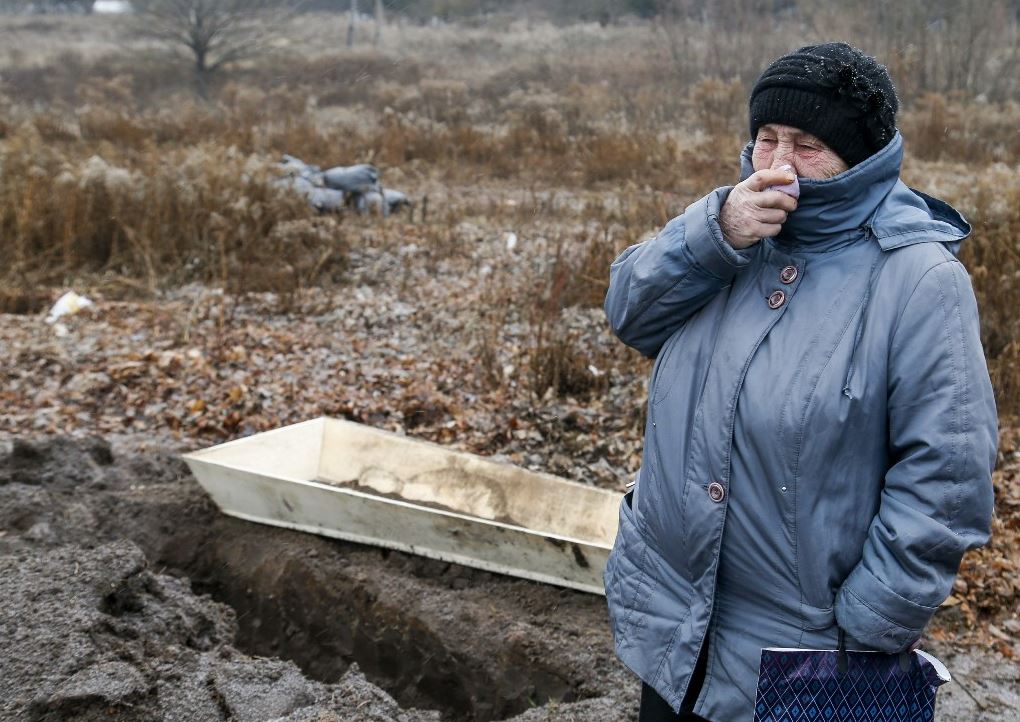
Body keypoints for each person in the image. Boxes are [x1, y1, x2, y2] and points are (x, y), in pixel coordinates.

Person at [601, 43, 998, 722]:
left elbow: (947, 480)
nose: (779, 164)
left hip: (805, 660)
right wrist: (714, 233)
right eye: (767, 138)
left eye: (808, 144)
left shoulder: (919, 281)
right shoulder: (733, 233)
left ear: (861, 157)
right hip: (674, 631)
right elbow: (630, 314)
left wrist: (867, 627)